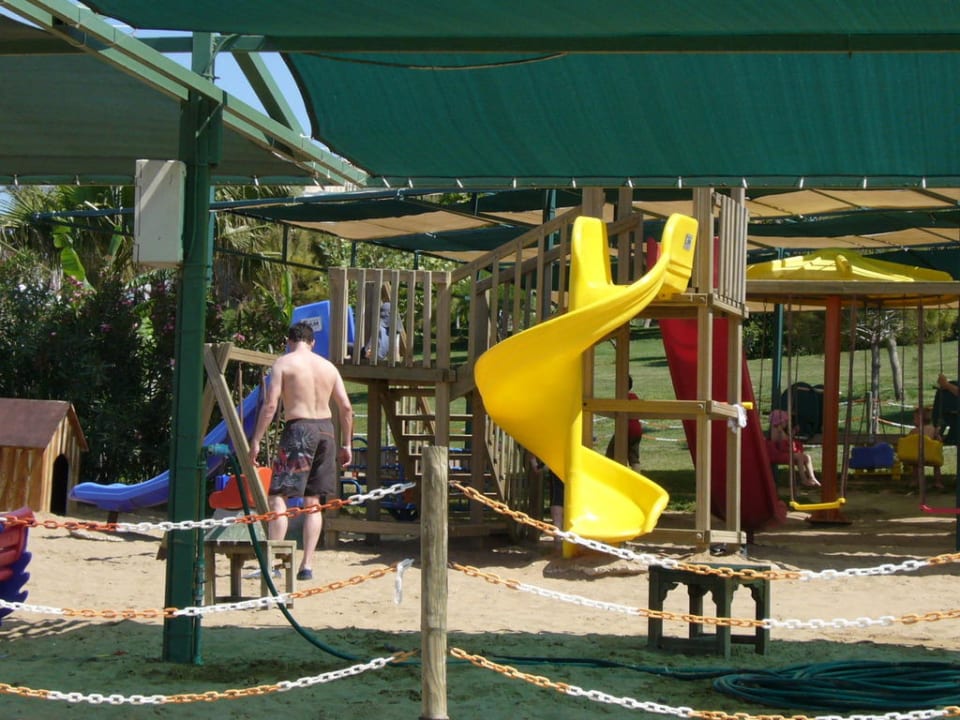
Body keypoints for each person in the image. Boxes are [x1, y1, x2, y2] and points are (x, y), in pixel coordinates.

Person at [249, 321, 354, 581]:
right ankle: (307, 565)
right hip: (326, 431)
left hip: (299, 430)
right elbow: (346, 407)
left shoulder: (284, 363)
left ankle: (272, 563)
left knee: (278, 496)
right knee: (313, 502)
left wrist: (256, 440)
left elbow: (271, 405)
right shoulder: (328, 367)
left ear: (289, 341)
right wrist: (347, 443)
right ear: (312, 342)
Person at [766, 408, 820, 488]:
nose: (787, 423)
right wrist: (783, 432)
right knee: (800, 457)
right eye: (785, 421)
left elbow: (788, 440)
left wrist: (792, 432)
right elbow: (784, 440)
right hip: (777, 453)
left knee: (807, 457)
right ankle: (804, 479)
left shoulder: (781, 429)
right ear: (779, 421)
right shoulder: (776, 429)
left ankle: (812, 477)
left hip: (784, 452)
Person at [605, 375, 643, 471]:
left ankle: (613, 474)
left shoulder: (622, 398)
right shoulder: (634, 396)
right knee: (634, 457)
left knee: (611, 453)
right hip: (636, 430)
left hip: (625, 429)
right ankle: (636, 476)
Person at [907, 405, 943, 490]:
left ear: (919, 419)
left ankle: (915, 481)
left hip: (918, 456)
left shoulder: (914, 431)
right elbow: (939, 441)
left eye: (914, 418)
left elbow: (908, 441)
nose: (913, 421)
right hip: (931, 455)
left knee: (915, 466)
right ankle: (938, 482)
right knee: (937, 466)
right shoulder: (933, 429)